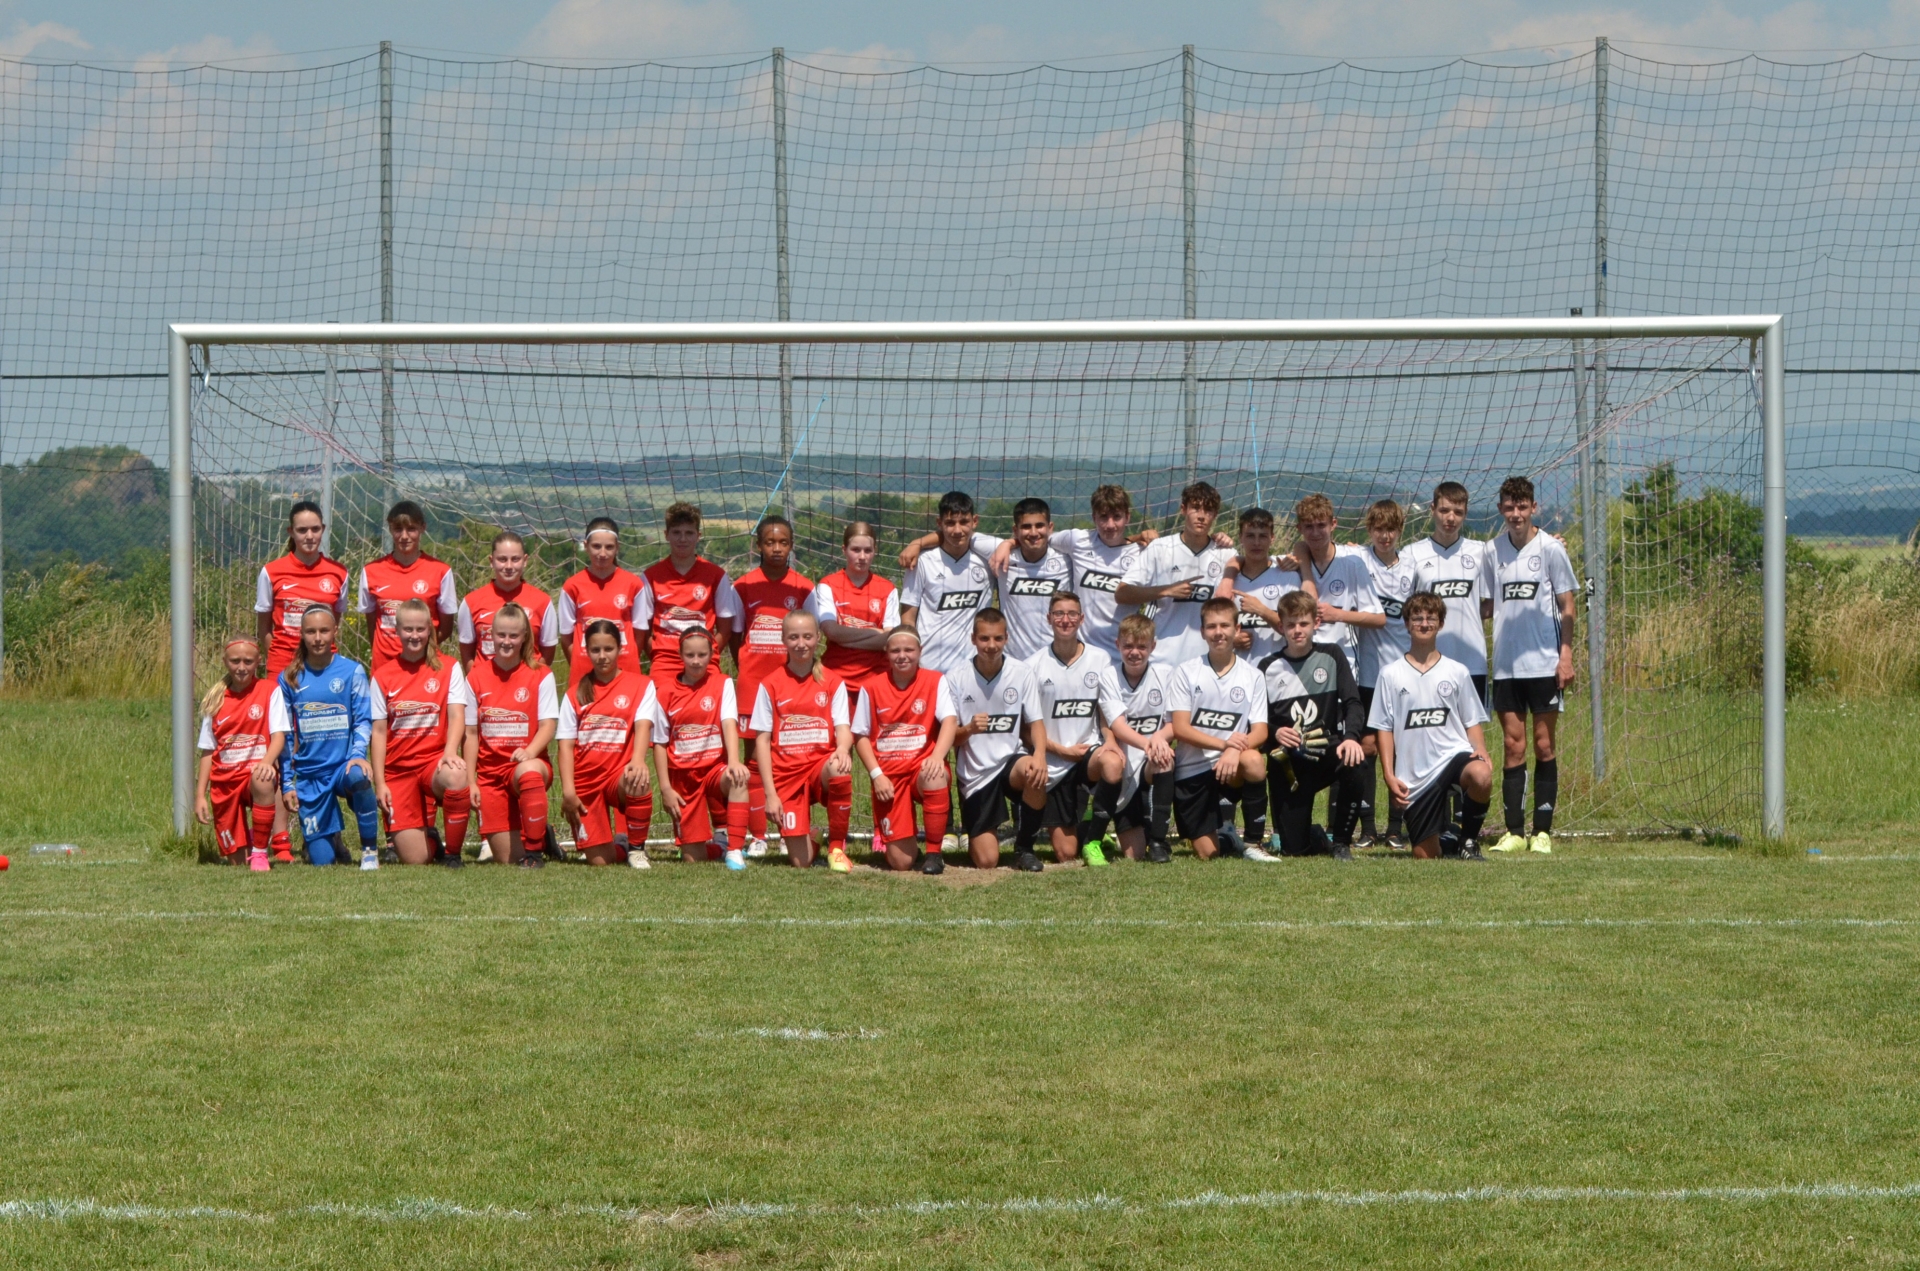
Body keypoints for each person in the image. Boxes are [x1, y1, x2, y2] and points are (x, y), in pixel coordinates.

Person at [1480, 475, 1579, 856]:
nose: (1516, 514)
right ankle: (1515, 832)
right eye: (1509, 507)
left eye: (1522, 507)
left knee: (1543, 744)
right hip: (1506, 666)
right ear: (1501, 509)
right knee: (1512, 745)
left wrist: (1565, 656)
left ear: (1533, 508)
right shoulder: (1492, 551)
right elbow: (1487, 605)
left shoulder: (1551, 548)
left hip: (1544, 664)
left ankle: (1542, 832)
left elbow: (1568, 606)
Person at [1370, 592, 1494, 860]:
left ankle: (1469, 841)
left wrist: (1481, 749)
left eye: (1431, 618)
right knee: (1426, 856)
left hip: (1452, 756)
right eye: (1417, 618)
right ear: (1407, 623)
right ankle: (1448, 837)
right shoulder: (1390, 674)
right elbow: (1384, 729)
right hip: (1416, 776)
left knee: (1481, 775)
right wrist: (1389, 775)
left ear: (1441, 624)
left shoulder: (1457, 671)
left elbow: (1471, 721)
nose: (1424, 623)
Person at [1022, 591, 1133, 866]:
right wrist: (1061, 750)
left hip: (1087, 754)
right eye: (1059, 614)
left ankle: (1094, 839)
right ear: (1049, 618)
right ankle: (1088, 823)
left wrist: (1109, 740)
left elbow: (1106, 710)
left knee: (1112, 762)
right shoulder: (1032, 666)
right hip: (1053, 761)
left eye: (1072, 614)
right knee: (1066, 853)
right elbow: (1025, 729)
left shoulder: (1100, 659)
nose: (1065, 620)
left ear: (1081, 619)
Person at [266, 605, 381, 868]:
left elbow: (363, 720)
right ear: (302, 634)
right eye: (311, 632)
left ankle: (369, 851)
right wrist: (288, 783)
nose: (318, 638)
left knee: (359, 776)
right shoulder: (289, 678)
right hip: (311, 774)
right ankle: (333, 839)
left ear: (335, 632)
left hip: (343, 767)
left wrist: (357, 755)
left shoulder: (352, 672)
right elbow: (286, 735)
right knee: (322, 860)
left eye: (324, 631)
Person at [1260, 590, 1369, 859]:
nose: (1297, 630)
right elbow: (1256, 721)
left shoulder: (1332, 655)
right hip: (1289, 764)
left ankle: (1341, 842)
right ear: (1281, 626)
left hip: (1326, 753)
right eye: (1291, 624)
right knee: (1294, 851)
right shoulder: (1267, 666)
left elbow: (1353, 702)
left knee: (1355, 761)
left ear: (1316, 623)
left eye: (1303, 623)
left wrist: (1351, 738)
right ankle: (1315, 836)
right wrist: (1275, 732)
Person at [732, 515, 814, 857]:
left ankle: (788, 831)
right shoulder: (742, 586)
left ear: (791, 545)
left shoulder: (805, 588)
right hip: (753, 685)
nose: (776, 548)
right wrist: (751, 668)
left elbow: (811, 635)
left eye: (783, 542)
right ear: (758, 546)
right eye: (769, 542)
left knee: (788, 757)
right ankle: (758, 836)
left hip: (791, 685)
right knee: (753, 760)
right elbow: (736, 636)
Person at [368, 599, 472, 866]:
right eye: (408, 629)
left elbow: (457, 715)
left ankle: (453, 855)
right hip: (399, 771)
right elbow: (378, 732)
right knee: (416, 859)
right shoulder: (382, 675)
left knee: (456, 773)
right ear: (397, 631)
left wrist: (450, 751)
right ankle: (432, 840)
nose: (414, 636)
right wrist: (380, 782)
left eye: (420, 629)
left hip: (432, 764)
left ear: (430, 631)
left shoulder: (449, 667)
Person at [944, 608, 1049, 871]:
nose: (991, 645)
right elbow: (949, 738)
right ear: (973, 639)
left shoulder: (1021, 672)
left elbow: (1036, 722)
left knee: (1035, 771)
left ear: (1006, 638)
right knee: (987, 861)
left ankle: (1025, 849)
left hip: (1010, 762)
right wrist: (969, 729)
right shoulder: (955, 677)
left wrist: (1039, 755)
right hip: (976, 774)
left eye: (998, 638)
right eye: (984, 638)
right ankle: (976, 834)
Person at [749, 610, 855, 871]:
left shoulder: (833, 681)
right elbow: (762, 741)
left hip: (819, 768)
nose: (801, 643)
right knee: (801, 861)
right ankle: (815, 836)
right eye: (794, 637)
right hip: (786, 775)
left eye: (807, 636)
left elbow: (843, 728)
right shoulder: (770, 684)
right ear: (783, 639)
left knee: (839, 767)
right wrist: (770, 794)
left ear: (818, 638)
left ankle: (836, 848)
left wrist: (843, 748)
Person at [458, 603, 561, 867]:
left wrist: (530, 751)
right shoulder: (475, 676)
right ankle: (542, 834)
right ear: (490, 635)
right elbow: (470, 733)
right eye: (501, 635)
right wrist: (471, 782)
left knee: (528, 772)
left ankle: (535, 854)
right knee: (508, 859)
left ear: (524, 637)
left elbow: (548, 725)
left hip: (527, 765)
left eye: (513, 635)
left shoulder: (541, 674)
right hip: (491, 775)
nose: (506, 641)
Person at [1166, 596, 1269, 860]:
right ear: (1202, 632)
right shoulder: (1186, 672)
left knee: (1253, 760)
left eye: (1225, 625)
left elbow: (1260, 731)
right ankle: (1227, 834)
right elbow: (1180, 728)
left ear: (1237, 629)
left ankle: (1254, 844)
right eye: (1211, 626)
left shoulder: (1253, 675)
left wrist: (1234, 750)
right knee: (1208, 854)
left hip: (1231, 767)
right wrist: (1224, 744)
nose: (1218, 632)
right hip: (1192, 772)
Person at [851, 627, 957, 873]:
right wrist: (876, 775)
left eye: (909, 650)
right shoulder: (871, 687)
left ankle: (934, 853)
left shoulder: (935, 680)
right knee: (901, 863)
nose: (902, 656)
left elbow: (950, 721)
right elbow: (860, 736)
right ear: (886, 652)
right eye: (895, 650)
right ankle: (907, 845)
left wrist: (937, 757)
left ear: (920, 651)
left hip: (920, 768)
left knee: (935, 775)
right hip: (889, 777)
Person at [647, 626, 752, 869]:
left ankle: (735, 850)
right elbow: (660, 744)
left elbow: (729, 722)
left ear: (712, 654)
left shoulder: (722, 683)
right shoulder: (665, 693)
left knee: (738, 779)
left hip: (714, 770)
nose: (696, 661)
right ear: (680, 655)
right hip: (683, 778)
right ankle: (720, 847)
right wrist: (665, 788)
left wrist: (734, 761)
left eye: (702, 655)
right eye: (690, 655)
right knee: (693, 858)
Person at [556, 619, 658, 868]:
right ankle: (621, 846)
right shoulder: (574, 693)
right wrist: (568, 792)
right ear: (586, 651)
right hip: (586, 783)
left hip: (617, 777)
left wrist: (638, 760)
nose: (602, 656)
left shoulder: (642, 685)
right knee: (600, 861)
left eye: (608, 649)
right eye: (595, 650)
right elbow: (565, 746)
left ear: (620, 648)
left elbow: (643, 726)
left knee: (638, 777)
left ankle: (636, 850)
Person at [1350, 499, 1419, 849]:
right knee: (1367, 747)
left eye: (1391, 529)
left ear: (1400, 530)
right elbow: (1313, 547)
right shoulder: (1357, 559)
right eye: (1378, 529)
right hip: (1367, 673)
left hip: (1403, 673)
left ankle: (1395, 827)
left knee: (1401, 750)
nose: (1385, 536)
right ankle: (1367, 828)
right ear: (1370, 530)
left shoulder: (1413, 567)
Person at [1081, 613, 1177, 862]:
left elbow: (1175, 722)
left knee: (1164, 760)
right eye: (1128, 646)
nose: (1135, 652)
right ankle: (1091, 830)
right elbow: (1118, 725)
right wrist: (1150, 743)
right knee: (1133, 854)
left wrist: (1159, 739)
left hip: (1148, 762)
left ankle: (1158, 842)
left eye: (1142, 646)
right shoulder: (1109, 676)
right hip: (1123, 764)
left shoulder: (1166, 674)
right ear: (1118, 645)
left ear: (1153, 646)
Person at [1117, 481, 1239, 668]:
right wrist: (1166, 590)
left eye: (1208, 510)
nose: (1201, 516)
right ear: (1183, 509)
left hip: (1207, 662)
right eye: (1195, 508)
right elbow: (1122, 593)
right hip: (1162, 659)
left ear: (1215, 515)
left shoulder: (1227, 554)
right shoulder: (1160, 548)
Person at [194, 635, 284, 868]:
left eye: (248, 661)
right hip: (224, 783)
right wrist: (200, 795)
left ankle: (260, 852)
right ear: (224, 661)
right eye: (235, 661)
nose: (241, 667)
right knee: (237, 862)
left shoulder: (270, 690)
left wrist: (267, 762)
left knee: (263, 779)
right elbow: (208, 751)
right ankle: (253, 837)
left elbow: (279, 737)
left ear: (258, 661)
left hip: (253, 775)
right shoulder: (214, 700)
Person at [899, 491, 1001, 674]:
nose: (957, 530)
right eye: (950, 523)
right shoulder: (922, 562)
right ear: (939, 523)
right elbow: (908, 617)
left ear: (975, 521)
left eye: (964, 522)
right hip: (930, 666)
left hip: (974, 669)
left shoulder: (988, 561)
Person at [641, 501, 741, 687]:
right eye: (676, 533)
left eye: (689, 533)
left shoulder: (716, 576)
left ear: (698, 536)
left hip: (704, 663)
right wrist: (658, 655)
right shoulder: (651, 577)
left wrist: (706, 654)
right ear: (666, 535)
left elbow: (725, 630)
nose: (682, 539)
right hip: (665, 664)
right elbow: (643, 630)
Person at [1404, 481, 1489, 699]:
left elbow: (1495, 598)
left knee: (1473, 721)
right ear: (1432, 509)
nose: (1450, 518)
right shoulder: (1412, 553)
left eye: (1458, 512)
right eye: (1444, 510)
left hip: (1472, 661)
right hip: (1426, 661)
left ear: (1465, 514)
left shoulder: (1481, 552)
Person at [356, 500, 458, 671]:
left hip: (424, 665)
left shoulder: (441, 571)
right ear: (390, 529)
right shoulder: (371, 571)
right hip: (384, 666)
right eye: (398, 529)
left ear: (422, 528)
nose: (404, 536)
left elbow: (446, 628)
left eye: (411, 529)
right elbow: (372, 626)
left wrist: (417, 649)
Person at [556, 517, 652, 691]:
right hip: (585, 672)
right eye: (596, 546)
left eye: (609, 547)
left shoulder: (634, 584)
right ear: (586, 546)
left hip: (625, 669)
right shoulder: (572, 586)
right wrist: (581, 662)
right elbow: (566, 638)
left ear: (617, 547)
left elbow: (639, 634)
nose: (602, 553)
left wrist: (627, 657)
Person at [254, 500, 349, 676]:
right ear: (291, 532)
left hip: (325, 666)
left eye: (315, 529)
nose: (309, 536)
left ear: (323, 529)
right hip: (282, 665)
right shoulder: (271, 572)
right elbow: (264, 628)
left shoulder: (339, 572)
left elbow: (333, 622)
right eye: (302, 530)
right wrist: (276, 659)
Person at [808, 520, 902, 693]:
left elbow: (890, 640)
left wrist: (844, 639)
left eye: (868, 550)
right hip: (836, 678)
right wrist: (877, 632)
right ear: (844, 550)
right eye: (856, 550)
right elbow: (831, 631)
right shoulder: (828, 585)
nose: (862, 556)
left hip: (877, 680)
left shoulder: (888, 589)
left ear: (875, 551)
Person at [1220, 507, 1313, 668]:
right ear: (1240, 537)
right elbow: (1214, 627)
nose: (1256, 543)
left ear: (1272, 538)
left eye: (1262, 536)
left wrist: (1261, 610)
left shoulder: (1287, 577)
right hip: (1238, 672)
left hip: (1280, 670)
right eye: (1250, 536)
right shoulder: (1227, 582)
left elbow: (1298, 627)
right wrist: (1230, 639)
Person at [458, 530, 559, 671]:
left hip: (527, 682)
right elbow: (466, 652)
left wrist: (533, 677)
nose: (509, 566)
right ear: (491, 561)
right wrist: (477, 680)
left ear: (525, 560)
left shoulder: (543, 602)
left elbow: (548, 652)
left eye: (515, 559)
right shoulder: (471, 602)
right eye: (502, 559)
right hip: (486, 681)